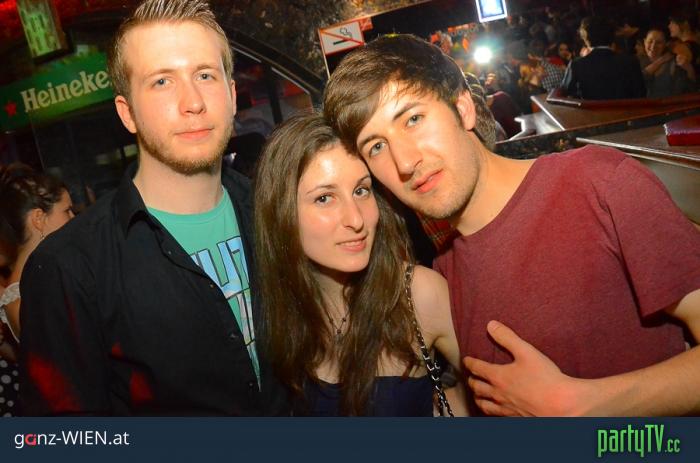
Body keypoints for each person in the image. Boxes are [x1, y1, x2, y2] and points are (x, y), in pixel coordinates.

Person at [323, 33, 700, 416]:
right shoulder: (446, 269)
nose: (405, 162)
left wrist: (581, 405)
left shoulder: (599, 183)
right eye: (376, 146)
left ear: (463, 109)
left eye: (413, 119)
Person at [18, 0, 287, 415]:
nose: (192, 102)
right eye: (162, 81)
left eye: (205, 75)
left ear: (232, 95)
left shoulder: (278, 212)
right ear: (127, 113)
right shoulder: (68, 267)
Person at [254, 112, 466, 416]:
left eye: (361, 190)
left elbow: (494, 396)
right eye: (325, 198)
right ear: (281, 214)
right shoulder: (276, 310)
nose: (356, 219)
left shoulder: (417, 294)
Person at [0, 163, 73, 416]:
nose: (73, 219)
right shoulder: (22, 298)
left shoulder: (40, 281)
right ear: (38, 219)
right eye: (67, 211)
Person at [560, 16, 645, 99]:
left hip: (589, 109)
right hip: (627, 109)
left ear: (586, 39)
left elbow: (563, 93)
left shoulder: (576, 64)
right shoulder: (631, 62)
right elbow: (641, 93)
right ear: (613, 37)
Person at [639, 27, 695, 98]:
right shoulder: (636, 62)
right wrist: (660, 61)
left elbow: (689, 89)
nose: (653, 46)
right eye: (650, 41)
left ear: (665, 44)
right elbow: (637, 82)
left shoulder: (673, 64)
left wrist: (689, 69)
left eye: (659, 43)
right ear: (644, 42)